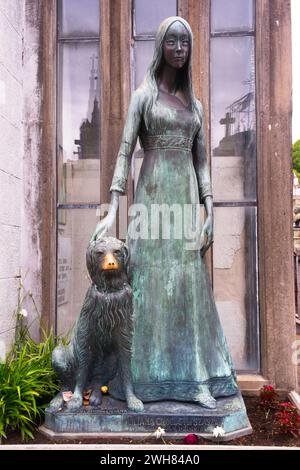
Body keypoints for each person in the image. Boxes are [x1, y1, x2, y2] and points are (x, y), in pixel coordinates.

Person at [92, 16, 238, 409]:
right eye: (171, 42)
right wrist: (111, 210)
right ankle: (136, 379)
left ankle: (195, 379)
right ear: (161, 47)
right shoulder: (144, 97)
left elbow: (202, 163)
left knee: (187, 288)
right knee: (145, 284)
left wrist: (211, 210)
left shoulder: (197, 107)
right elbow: (125, 153)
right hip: (152, 196)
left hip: (186, 200)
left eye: (184, 43)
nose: (178, 48)